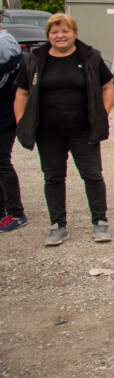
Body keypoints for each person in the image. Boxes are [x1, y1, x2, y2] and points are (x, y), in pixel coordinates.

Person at [13, 13, 114, 246]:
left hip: (83, 130)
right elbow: (22, 92)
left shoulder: (90, 57)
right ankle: (57, 226)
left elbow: (107, 87)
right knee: (53, 177)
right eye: (55, 32)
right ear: (48, 35)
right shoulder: (35, 59)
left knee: (92, 175)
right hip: (48, 133)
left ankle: (100, 222)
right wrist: (21, 122)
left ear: (75, 33)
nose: (60, 35)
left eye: (65, 31)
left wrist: (102, 114)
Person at [0, 27, 27, 231]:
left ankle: (15, 212)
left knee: (2, 163)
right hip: (6, 113)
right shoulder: (8, 41)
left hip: (4, 116)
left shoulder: (3, 45)